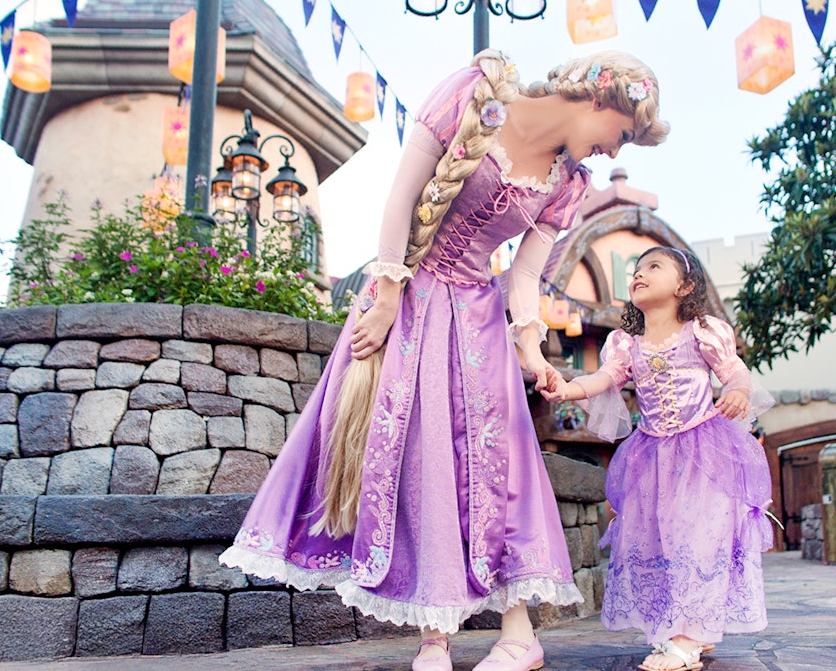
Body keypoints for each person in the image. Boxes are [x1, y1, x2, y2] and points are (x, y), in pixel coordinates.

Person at [220, 49, 669, 671]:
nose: (614, 150)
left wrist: (531, 348)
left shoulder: (568, 185)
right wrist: (385, 294)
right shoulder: (472, 93)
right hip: (407, 300)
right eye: (621, 134)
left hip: (477, 321)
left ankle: (520, 635)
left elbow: (524, 277)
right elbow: (402, 195)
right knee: (418, 460)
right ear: (600, 99)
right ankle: (434, 636)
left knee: (499, 465)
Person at [539, 246, 775, 671]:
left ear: (685, 286)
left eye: (653, 266)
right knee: (661, 542)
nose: (639, 273)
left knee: (698, 541)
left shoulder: (702, 332)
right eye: (636, 268)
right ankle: (686, 628)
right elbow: (603, 378)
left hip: (702, 454)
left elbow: (734, 370)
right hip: (652, 458)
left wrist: (738, 390)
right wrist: (568, 389)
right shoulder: (626, 344)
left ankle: (687, 638)